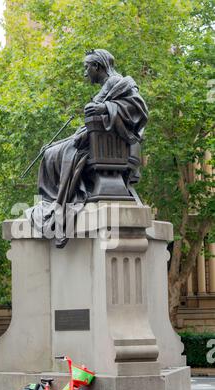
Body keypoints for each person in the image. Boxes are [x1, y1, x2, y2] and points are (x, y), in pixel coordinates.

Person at [27, 49, 148, 248]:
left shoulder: (121, 83)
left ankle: (57, 204)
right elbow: (82, 130)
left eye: (86, 67)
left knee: (61, 154)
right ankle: (50, 202)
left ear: (97, 66)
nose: (85, 73)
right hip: (89, 139)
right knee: (49, 153)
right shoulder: (105, 86)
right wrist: (55, 143)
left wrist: (104, 108)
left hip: (107, 146)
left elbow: (139, 109)